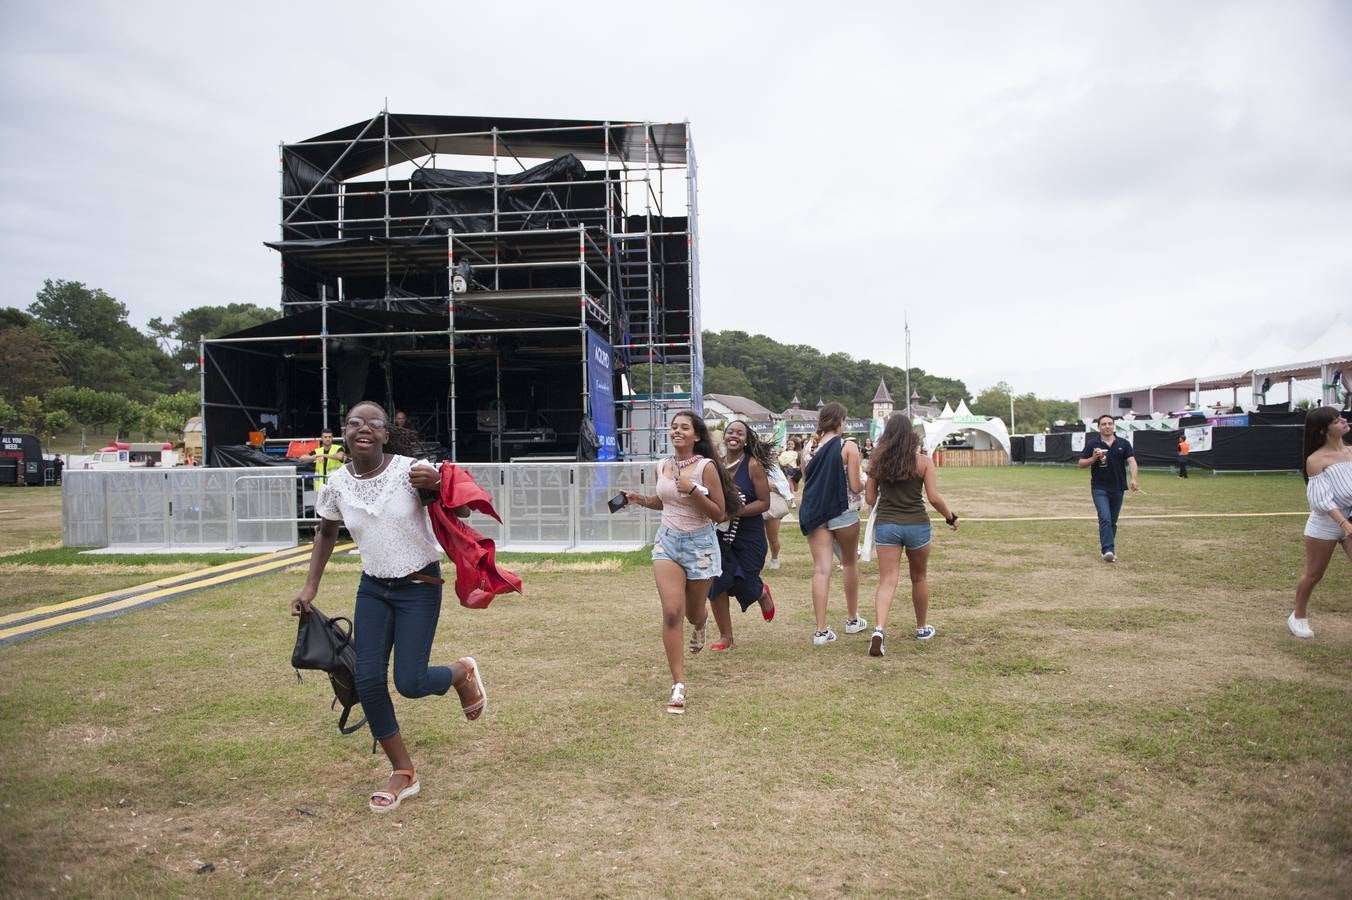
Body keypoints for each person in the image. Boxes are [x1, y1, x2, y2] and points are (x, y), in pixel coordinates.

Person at [291, 401, 486, 813]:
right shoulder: (337, 484)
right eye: (355, 422)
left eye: (374, 424)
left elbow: (463, 510)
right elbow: (326, 534)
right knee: (367, 681)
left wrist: (435, 484)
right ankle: (403, 772)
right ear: (344, 431)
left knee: (411, 682)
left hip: (419, 585)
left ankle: (461, 672)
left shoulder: (410, 470)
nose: (364, 428)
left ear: (385, 433)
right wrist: (310, 587)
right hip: (373, 588)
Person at [623, 411, 741, 714]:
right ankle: (678, 684)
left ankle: (701, 625)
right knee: (672, 613)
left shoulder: (706, 467)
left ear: (696, 436)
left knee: (692, 613)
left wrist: (692, 490)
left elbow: (719, 514)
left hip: (701, 544)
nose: (677, 431)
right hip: (668, 543)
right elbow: (665, 501)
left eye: (684, 428)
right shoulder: (662, 465)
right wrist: (640, 499)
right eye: (674, 427)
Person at [864, 414, 958, 656]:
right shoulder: (924, 462)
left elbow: (870, 499)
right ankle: (921, 628)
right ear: (911, 435)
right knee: (919, 577)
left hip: (887, 525)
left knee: (887, 581)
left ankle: (879, 630)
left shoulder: (876, 462)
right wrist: (950, 517)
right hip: (917, 525)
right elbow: (934, 498)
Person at [799, 402, 867, 644]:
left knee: (821, 570)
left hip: (815, 513)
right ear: (840, 422)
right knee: (849, 564)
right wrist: (868, 481)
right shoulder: (847, 446)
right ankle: (851, 620)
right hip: (843, 510)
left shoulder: (808, 448)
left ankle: (821, 630)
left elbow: (807, 480)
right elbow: (856, 486)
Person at [707, 420, 777, 651]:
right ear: (724, 437)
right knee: (717, 584)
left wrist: (735, 511)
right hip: (720, 536)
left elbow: (764, 502)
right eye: (730, 432)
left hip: (749, 536)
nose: (734, 435)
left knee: (744, 581)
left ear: (746, 439)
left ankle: (761, 592)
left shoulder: (753, 465)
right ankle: (726, 636)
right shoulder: (716, 465)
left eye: (740, 432)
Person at [1291, 407, 1352, 639]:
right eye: (1337, 420)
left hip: (1350, 518)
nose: (1344, 421)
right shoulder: (1316, 460)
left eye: (1341, 417)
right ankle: (1298, 616)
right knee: (1314, 574)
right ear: (1323, 430)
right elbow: (1322, 501)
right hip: (1326, 523)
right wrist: (1344, 525)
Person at [1078, 414, 1138, 562]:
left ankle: (1108, 547)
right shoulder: (1093, 444)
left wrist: (1134, 479)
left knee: (1112, 520)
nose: (1107, 426)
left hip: (1118, 488)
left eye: (1109, 423)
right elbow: (1080, 464)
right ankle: (1108, 550)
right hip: (1099, 488)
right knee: (1105, 518)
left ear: (1113, 426)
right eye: (1103, 424)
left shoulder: (1123, 443)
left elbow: (1132, 461)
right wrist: (1093, 458)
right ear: (1099, 427)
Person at [764, 461, 793, 570]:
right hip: (753, 503)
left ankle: (775, 558)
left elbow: (784, 484)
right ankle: (757, 560)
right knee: (756, 537)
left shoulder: (772, 467)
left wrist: (772, 485)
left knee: (772, 537)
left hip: (771, 504)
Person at [778, 437, 802, 506]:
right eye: (788, 444)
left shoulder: (797, 453)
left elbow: (801, 463)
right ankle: (792, 501)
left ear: (794, 445)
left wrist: (798, 467)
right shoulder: (783, 453)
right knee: (788, 484)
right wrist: (785, 466)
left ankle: (791, 499)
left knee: (793, 487)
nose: (790, 445)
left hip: (795, 471)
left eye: (791, 444)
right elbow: (781, 462)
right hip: (785, 471)